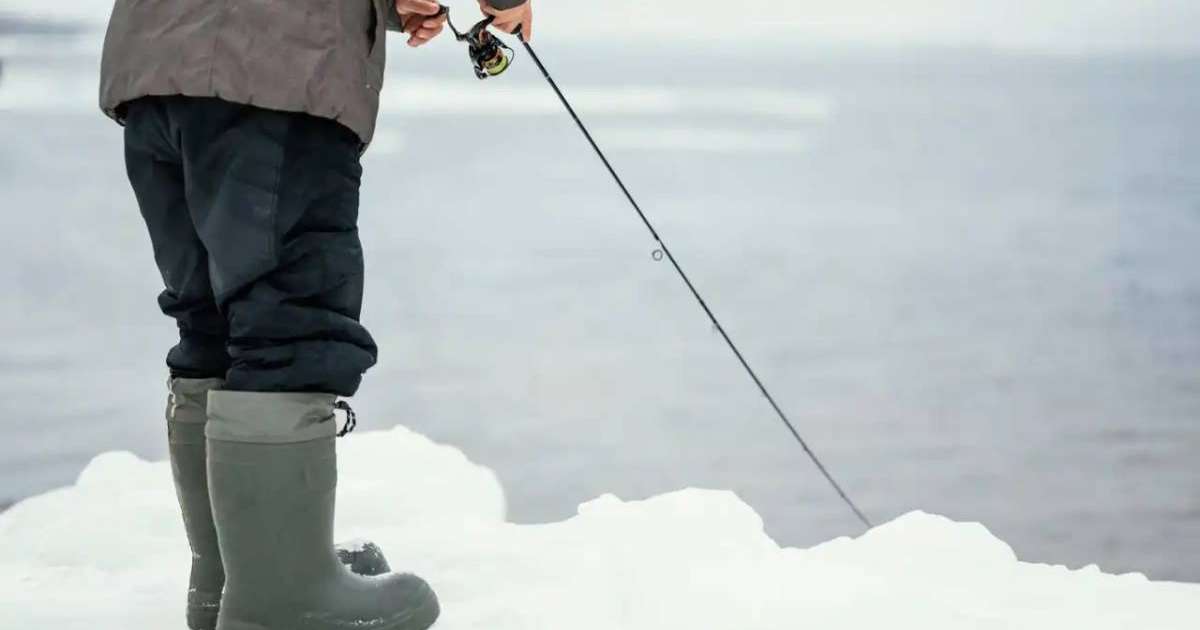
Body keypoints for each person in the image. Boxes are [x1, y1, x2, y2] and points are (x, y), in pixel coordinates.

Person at [98, 1, 534, 629]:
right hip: (274, 68)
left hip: (155, 66)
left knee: (213, 324)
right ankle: (281, 599)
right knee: (287, 324)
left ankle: (236, 578)